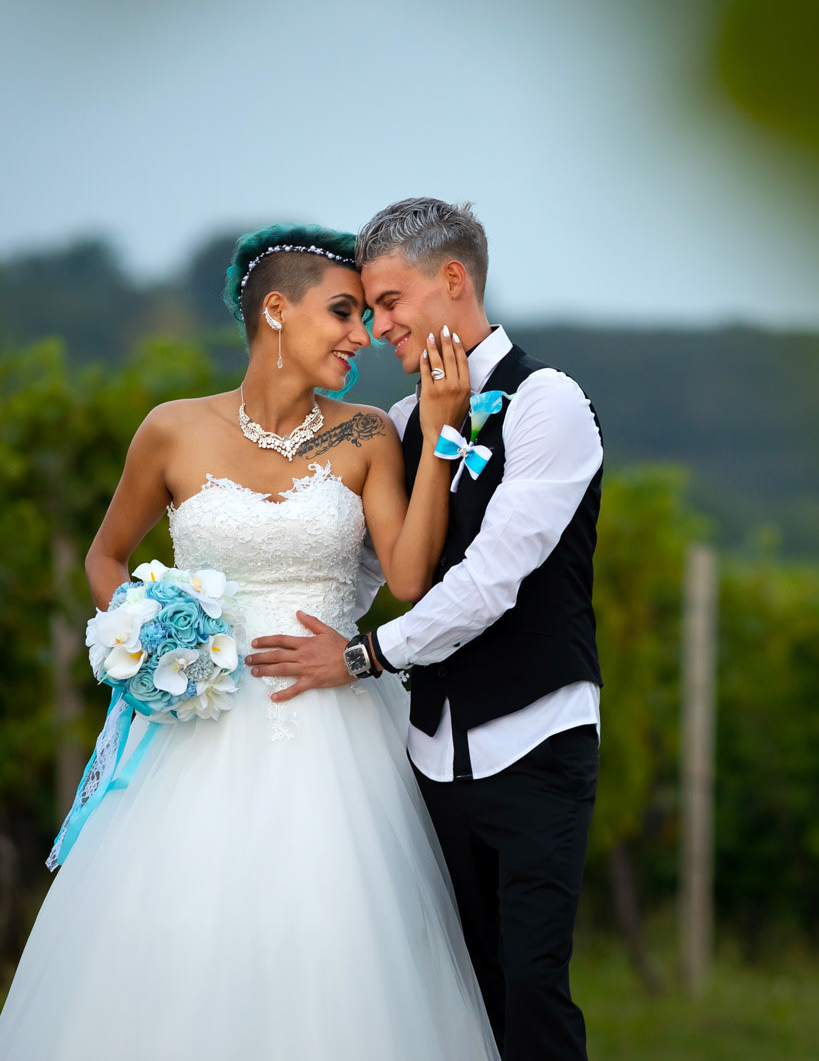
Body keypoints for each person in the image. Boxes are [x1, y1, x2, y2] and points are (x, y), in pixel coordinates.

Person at [0, 224, 498, 1059]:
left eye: (367, 317)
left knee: (331, 933)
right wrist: (150, 644)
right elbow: (105, 557)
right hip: (199, 728)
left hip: (333, 729)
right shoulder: (172, 430)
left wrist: (440, 433)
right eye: (344, 313)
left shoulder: (367, 434)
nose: (363, 336)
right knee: (177, 928)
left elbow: (409, 578)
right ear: (276, 310)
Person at [247, 199, 604, 1061]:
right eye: (369, 309)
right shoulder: (403, 426)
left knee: (533, 987)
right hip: (430, 754)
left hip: (536, 740)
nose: (378, 327)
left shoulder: (548, 404)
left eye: (389, 302)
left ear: (452, 280)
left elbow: (491, 581)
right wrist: (256, 629)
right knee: (461, 993)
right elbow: (369, 568)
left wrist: (364, 655)